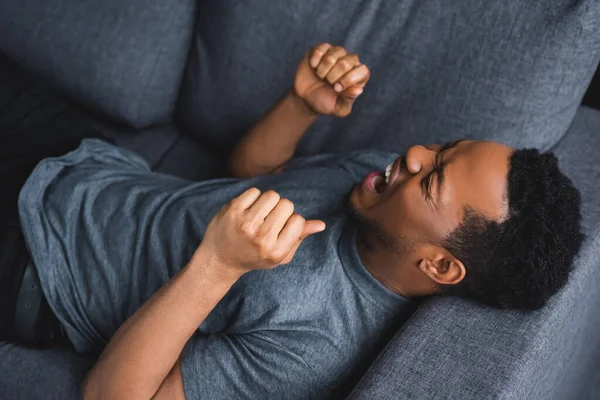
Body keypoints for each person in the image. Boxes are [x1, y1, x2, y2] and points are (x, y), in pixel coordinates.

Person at [0, 43, 583, 399]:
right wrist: (301, 105)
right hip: (85, 160)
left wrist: (217, 265)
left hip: (35, 263)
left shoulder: (314, 346)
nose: (414, 155)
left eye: (432, 178)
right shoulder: (377, 189)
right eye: (442, 147)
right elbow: (254, 172)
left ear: (439, 264)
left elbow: (109, 395)